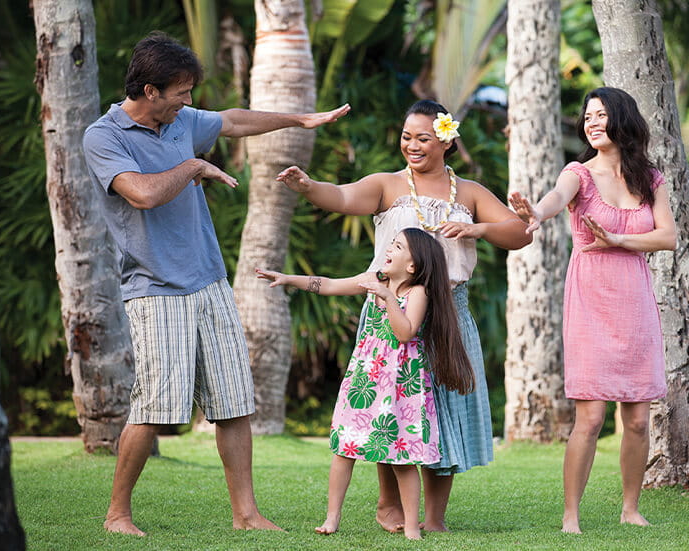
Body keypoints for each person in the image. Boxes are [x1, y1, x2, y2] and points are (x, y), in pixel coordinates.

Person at [81, 32, 349, 537]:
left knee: (233, 403)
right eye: (181, 92)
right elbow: (141, 194)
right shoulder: (104, 136)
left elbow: (233, 120)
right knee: (155, 407)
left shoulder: (180, 120)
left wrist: (299, 119)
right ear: (149, 90)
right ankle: (117, 514)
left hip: (209, 281)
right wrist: (194, 165)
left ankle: (246, 515)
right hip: (155, 288)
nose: (188, 101)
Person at [275, 99, 531, 532]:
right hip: (389, 313)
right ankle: (388, 504)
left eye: (423, 138)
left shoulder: (469, 192)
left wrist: (478, 228)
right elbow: (341, 196)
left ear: (446, 141)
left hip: (449, 315)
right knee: (390, 406)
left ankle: (434, 517)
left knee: (444, 411)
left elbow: (519, 233)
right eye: (407, 136)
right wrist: (307, 186)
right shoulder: (387, 185)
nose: (412, 145)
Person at [508, 87, 677, 534]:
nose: (592, 123)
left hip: (635, 303)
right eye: (587, 117)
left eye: (600, 115)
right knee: (591, 418)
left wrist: (619, 240)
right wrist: (537, 213)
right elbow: (555, 196)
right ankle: (571, 516)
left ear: (622, 119)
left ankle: (630, 508)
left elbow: (668, 236)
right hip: (591, 301)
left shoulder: (650, 179)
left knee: (637, 420)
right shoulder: (578, 173)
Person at [255, 227, 474, 540]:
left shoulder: (418, 293)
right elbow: (329, 284)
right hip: (365, 379)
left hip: (402, 386)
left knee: (402, 458)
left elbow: (405, 332)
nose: (389, 249)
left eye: (397, 246)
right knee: (344, 449)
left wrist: (388, 298)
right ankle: (332, 518)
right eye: (392, 244)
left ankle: (413, 526)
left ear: (412, 265)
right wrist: (289, 279)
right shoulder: (374, 280)